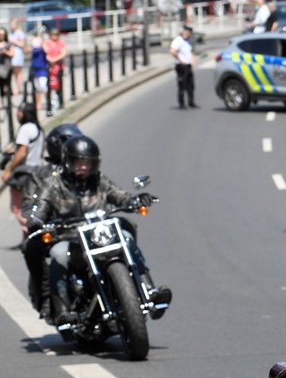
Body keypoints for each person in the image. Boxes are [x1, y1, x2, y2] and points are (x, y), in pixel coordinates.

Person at [29, 135, 172, 326]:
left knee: (127, 237)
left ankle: (149, 291)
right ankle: (63, 311)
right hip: (70, 238)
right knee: (58, 254)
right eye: (78, 162)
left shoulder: (98, 180)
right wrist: (37, 220)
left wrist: (135, 201)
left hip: (99, 234)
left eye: (87, 163)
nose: (83, 167)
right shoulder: (54, 184)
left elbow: (119, 195)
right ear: (68, 161)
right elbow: (41, 205)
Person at [20, 122, 82, 312]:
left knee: (125, 227)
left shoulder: (83, 169)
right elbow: (30, 202)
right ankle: (47, 298)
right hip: (57, 230)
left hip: (86, 227)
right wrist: (35, 220)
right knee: (31, 247)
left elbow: (103, 190)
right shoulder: (41, 176)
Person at [1, 103, 44, 244]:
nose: (17, 114)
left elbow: (21, 153)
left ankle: (30, 234)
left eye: (19, 111)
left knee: (17, 207)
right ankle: (27, 238)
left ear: (24, 113)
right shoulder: (38, 128)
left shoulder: (25, 129)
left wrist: (8, 170)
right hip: (36, 171)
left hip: (23, 174)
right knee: (30, 204)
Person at [170, 25, 197, 109]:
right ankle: (181, 104)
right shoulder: (178, 40)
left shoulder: (188, 41)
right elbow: (172, 51)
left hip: (188, 65)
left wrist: (192, 59)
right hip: (181, 66)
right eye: (189, 33)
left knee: (191, 84)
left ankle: (191, 102)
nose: (190, 35)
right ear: (186, 32)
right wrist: (180, 60)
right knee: (182, 85)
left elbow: (189, 52)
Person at [42, 28, 66, 113]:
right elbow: (46, 52)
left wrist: (54, 59)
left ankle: (60, 102)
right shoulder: (47, 43)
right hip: (50, 68)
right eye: (53, 35)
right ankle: (50, 104)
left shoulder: (61, 43)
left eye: (56, 35)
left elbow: (63, 54)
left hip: (58, 67)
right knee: (49, 86)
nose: (54, 36)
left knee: (59, 86)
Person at [29, 31, 48, 116]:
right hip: (35, 69)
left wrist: (42, 43)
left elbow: (47, 51)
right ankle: (38, 104)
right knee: (37, 89)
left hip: (42, 69)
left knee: (44, 87)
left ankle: (49, 101)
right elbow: (27, 51)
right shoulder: (33, 47)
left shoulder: (43, 46)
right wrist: (31, 44)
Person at [9, 18, 25, 98]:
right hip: (13, 54)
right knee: (14, 73)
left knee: (18, 72)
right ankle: (16, 87)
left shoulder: (20, 33)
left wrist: (13, 42)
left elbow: (22, 44)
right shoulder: (12, 33)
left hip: (18, 54)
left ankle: (18, 88)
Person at [0, 29, 14, 113]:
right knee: (1, 86)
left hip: (7, 67)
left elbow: (12, 53)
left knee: (8, 85)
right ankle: (2, 102)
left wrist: (5, 51)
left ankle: (10, 101)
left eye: (2, 34)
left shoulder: (8, 44)